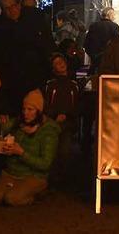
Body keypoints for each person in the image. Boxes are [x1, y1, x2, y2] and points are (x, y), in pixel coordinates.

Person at [0, 89, 60, 206]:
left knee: (11, 199)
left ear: (39, 111)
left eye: (30, 109)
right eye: (24, 109)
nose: (25, 113)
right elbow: (0, 128)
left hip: (33, 176)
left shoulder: (48, 132)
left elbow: (45, 164)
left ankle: (36, 193)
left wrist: (21, 153)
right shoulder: (19, 122)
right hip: (11, 172)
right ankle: (17, 189)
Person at [0, 0, 56, 114]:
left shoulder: (33, 22)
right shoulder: (2, 30)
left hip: (36, 75)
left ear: (18, 5)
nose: (11, 10)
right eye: (7, 8)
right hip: (14, 81)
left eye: (13, 6)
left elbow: (46, 45)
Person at [43, 53, 79, 185]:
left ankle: (62, 180)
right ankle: (51, 180)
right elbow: (47, 104)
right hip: (53, 123)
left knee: (64, 151)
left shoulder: (73, 84)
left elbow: (76, 104)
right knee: (51, 151)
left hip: (67, 124)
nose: (61, 64)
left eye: (61, 61)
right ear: (53, 69)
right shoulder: (50, 85)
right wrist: (53, 116)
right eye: (57, 63)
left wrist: (68, 115)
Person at [84, 7, 119, 72]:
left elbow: (86, 44)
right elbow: (118, 44)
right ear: (109, 15)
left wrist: (93, 56)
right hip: (109, 63)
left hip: (95, 63)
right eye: (114, 15)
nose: (114, 17)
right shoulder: (114, 26)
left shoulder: (93, 26)